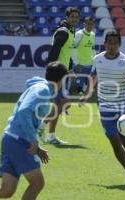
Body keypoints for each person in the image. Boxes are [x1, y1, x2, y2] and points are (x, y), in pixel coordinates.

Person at [0, 61, 68, 200]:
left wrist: (37, 147)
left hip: (11, 138)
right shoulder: (43, 90)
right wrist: (32, 140)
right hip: (17, 141)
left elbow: (29, 118)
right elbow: (24, 112)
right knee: (37, 183)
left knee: (6, 190)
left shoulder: (41, 87)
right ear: (61, 79)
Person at [80, 31, 125, 184]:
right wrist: (87, 94)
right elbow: (93, 77)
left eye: (115, 43)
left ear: (119, 45)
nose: (112, 46)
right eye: (109, 42)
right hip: (105, 106)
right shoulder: (98, 59)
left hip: (123, 106)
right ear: (105, 44)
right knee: (114, 141)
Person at [44, 7, 80, 144]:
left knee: (59, 104)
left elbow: (66, 54)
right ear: (67, 17)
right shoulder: (64, 32)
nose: (75, 19)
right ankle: (41, 127)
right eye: (72, 17)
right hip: (58, 74)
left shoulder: (70, 31)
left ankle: (50, 135)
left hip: (63, 72)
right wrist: (53, 72)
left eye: (77, 17)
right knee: (64, 104)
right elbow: (53, 53)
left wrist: (69, 70)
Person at [71, 16, 95, 94]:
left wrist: (93, 61)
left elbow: (92, 49)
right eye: (88, 24)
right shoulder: (79, 34)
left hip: (89, 64)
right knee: (77, 88)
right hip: (80, 64)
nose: (89, 26)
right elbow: (72, 48)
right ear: (84, 24)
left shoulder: (92, 34)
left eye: (91, 24)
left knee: (89, 87)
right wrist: (76, 63)